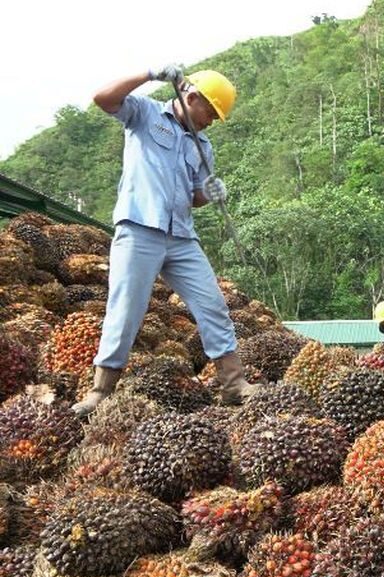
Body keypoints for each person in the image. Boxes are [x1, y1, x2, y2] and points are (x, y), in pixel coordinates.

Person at [73, 65, 257, 417]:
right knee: (125, 310)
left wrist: (209, 191)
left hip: (181, 237)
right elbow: (103, 98)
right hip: (139, 228)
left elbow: (194, 196)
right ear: (191, 98)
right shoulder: (144, 113)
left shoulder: (203, 145)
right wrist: (147, 74)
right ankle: (100, 390)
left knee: (213, 305)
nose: (212, 122)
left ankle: (233, 384)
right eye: (211, 113)